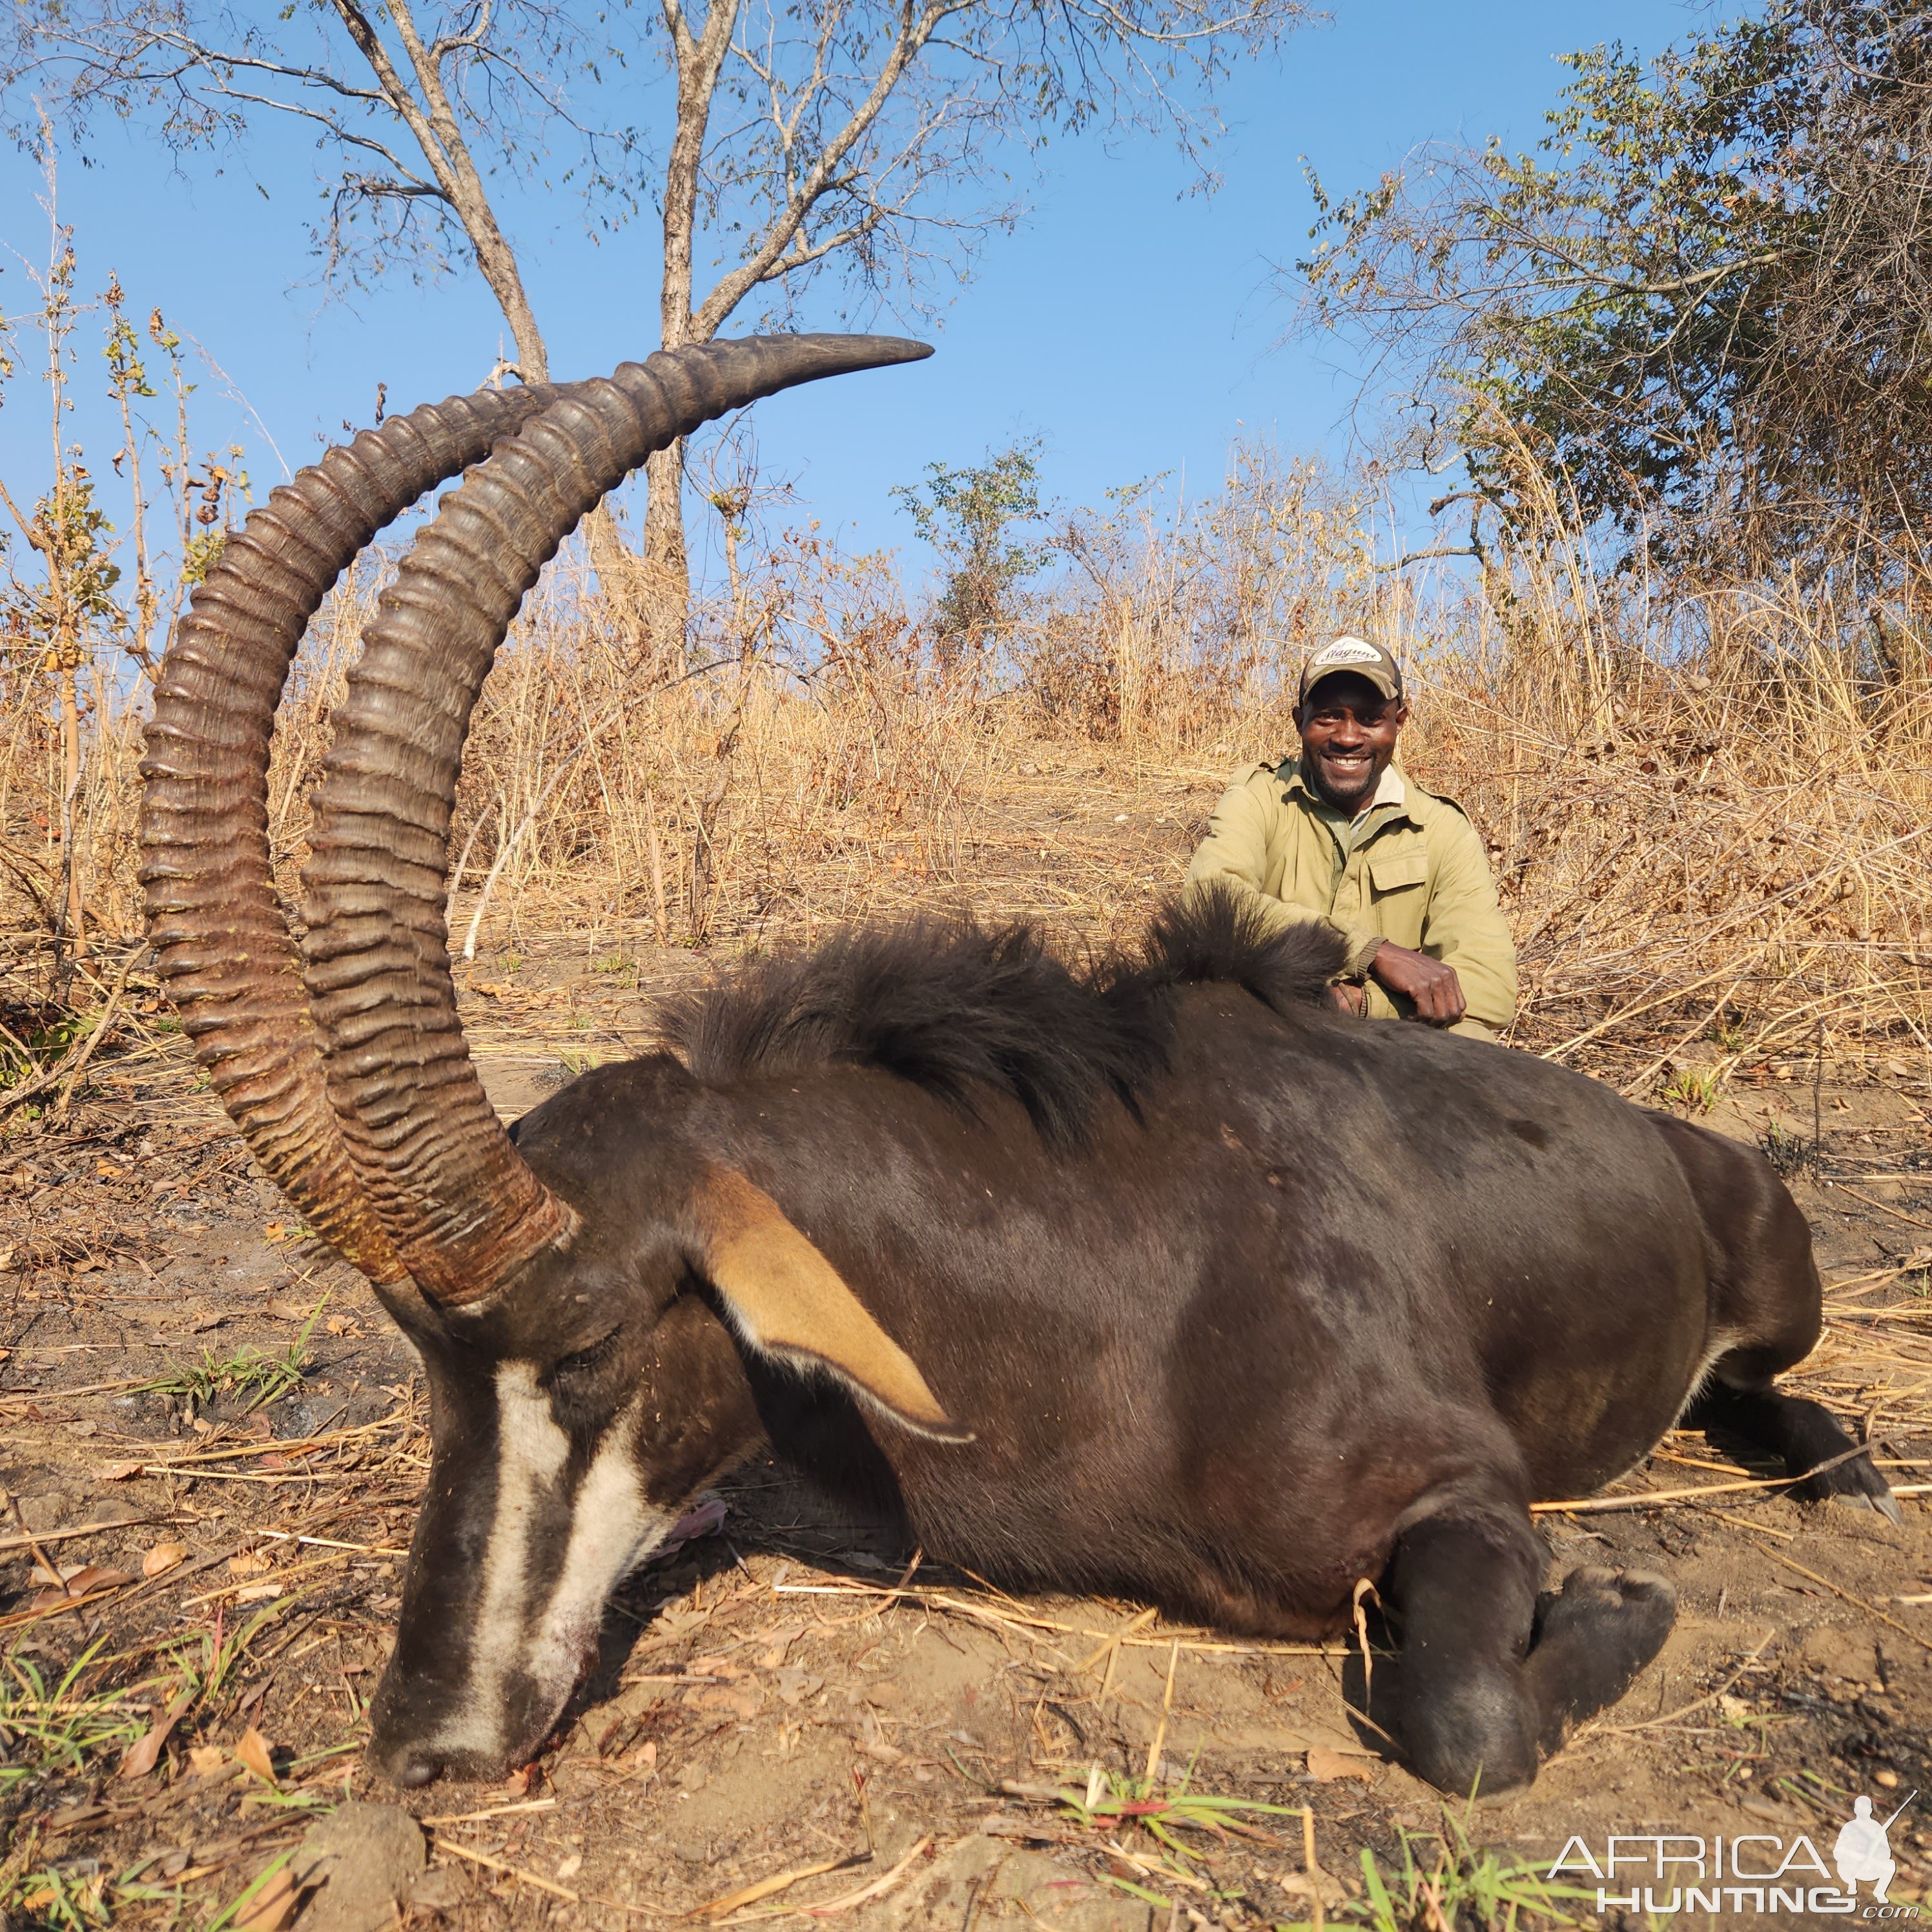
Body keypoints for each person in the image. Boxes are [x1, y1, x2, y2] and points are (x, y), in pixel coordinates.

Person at [1185, 634, 1516, 1041]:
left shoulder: (1441, 828)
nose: (1347, 736)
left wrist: (1359, 1004)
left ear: (1399, 722)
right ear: (1299, 722)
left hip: (1391, 1056)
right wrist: (1368, 951)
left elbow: (1490, 986)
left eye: (1370, 718)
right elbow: (1210, 902)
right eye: (1327, 716)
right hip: (1266, 1039)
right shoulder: (1260, 799)